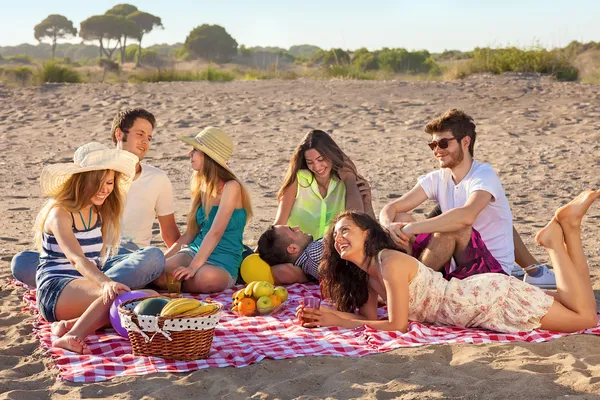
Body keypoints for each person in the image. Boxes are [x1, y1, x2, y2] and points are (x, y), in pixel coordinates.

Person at [299, 191, 599, 333]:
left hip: (488, 301)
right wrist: (327, 317)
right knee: (577, 300)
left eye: (346, 231)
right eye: (335, 236)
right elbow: (370, 321)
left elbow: (397, 325)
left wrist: (338, 319)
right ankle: (570, 228)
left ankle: (552, 244)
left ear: (367, 233)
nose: (339, 238)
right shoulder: (366, 276)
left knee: (585, 318)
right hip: (477, 295)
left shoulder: (387, 261)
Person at [380, 109, 555, 286]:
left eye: (443, 143)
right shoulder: (438, 178)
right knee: (399, 218)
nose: (437, 150)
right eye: (433, 145)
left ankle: (411, 288)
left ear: (465, 142)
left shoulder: (483, 176)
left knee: (453, 228)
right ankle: (402, 280)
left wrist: (412, 228)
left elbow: (467, 216)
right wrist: (390, 225)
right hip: (456, 263)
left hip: (492, 270)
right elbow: (391, 208)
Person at [11, 108, 179, 288]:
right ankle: (100, 286)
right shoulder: (92, 173)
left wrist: (184, 260)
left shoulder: (158, 178)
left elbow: (169, 231)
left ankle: (88, 287)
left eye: (149, 138)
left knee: (154, 257)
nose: (145, 142)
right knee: (21, 261)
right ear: (119, 134)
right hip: (84, 255)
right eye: (140, 134)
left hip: (126, 258)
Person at [33, 142, 162, 353]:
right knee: (117, 297)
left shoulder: (98, 212)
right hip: (55, 290)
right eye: (98, 183)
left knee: (149, 297)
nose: (105, 189)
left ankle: (72, 324)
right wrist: (105, 283)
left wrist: (104, 284)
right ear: (82, 181)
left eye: (110, 183)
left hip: (85, 286)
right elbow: (77, 259)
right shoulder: (60, 213)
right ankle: (73, 336)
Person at [154, 127, 253, 293]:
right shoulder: (202, 186)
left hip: (223, 258)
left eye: (194, 151)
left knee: (205, 279)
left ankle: (175, 285)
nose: (189, 155)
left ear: (208, 156)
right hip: (195, 251)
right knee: (158, 272)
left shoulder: (231, 187)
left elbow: (215, 232)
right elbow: (190, 234)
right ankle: (176, 284)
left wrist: (193, 268)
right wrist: (162, 261)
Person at [274, 129, 373, 241]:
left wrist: (351, 181)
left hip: (331, 251)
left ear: (331, 155)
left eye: (320, 159)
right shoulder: (298, 179)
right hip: (296, 250)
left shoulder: (346, 182)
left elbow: (357, 222)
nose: (317, 167)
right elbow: (279, 224)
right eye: (310, 162)